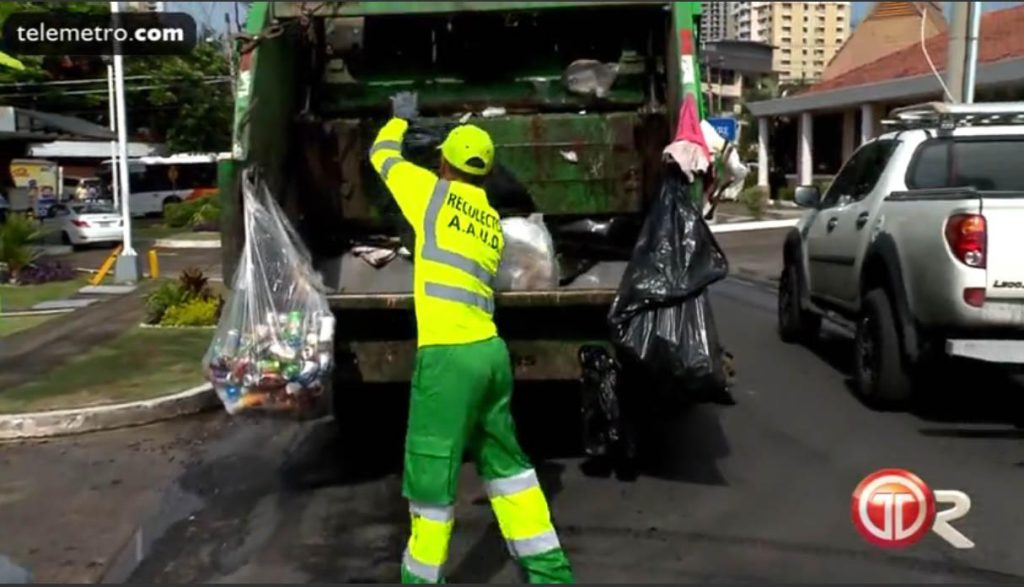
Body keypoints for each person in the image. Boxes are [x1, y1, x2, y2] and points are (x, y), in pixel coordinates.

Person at [369, 92, 574, 585]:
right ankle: (550, 573)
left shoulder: (429, 194)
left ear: (443, 162)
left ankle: (421, 580)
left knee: (430, 478)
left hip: (449, 357)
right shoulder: (489, 221)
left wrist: (400, 121)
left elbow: (381, 155)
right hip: (490, 355)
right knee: (510, 471)